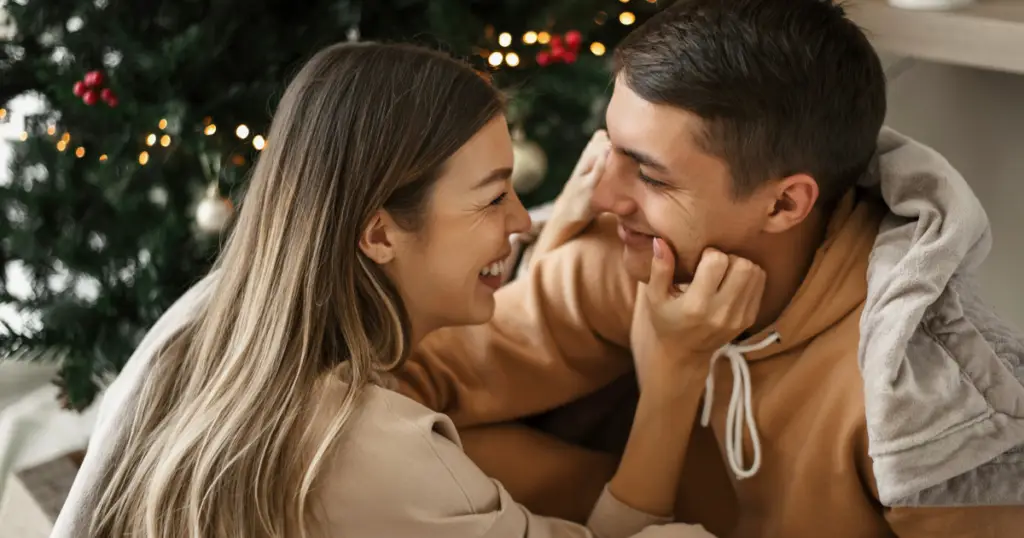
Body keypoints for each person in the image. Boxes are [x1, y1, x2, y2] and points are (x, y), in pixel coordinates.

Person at [50, 42, 732, 538]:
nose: (525, 219)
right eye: (496, 197)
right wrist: (673, 378)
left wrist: (552, 239)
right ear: (378, 235)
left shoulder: (210, 320)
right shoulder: (362, 450)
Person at [396, 1, 1024, 537]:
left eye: (648, 173)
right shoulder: (631, 260)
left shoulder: (933, 406)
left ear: (784, 203)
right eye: (610, 145)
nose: (605, 195)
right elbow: (401, 388)